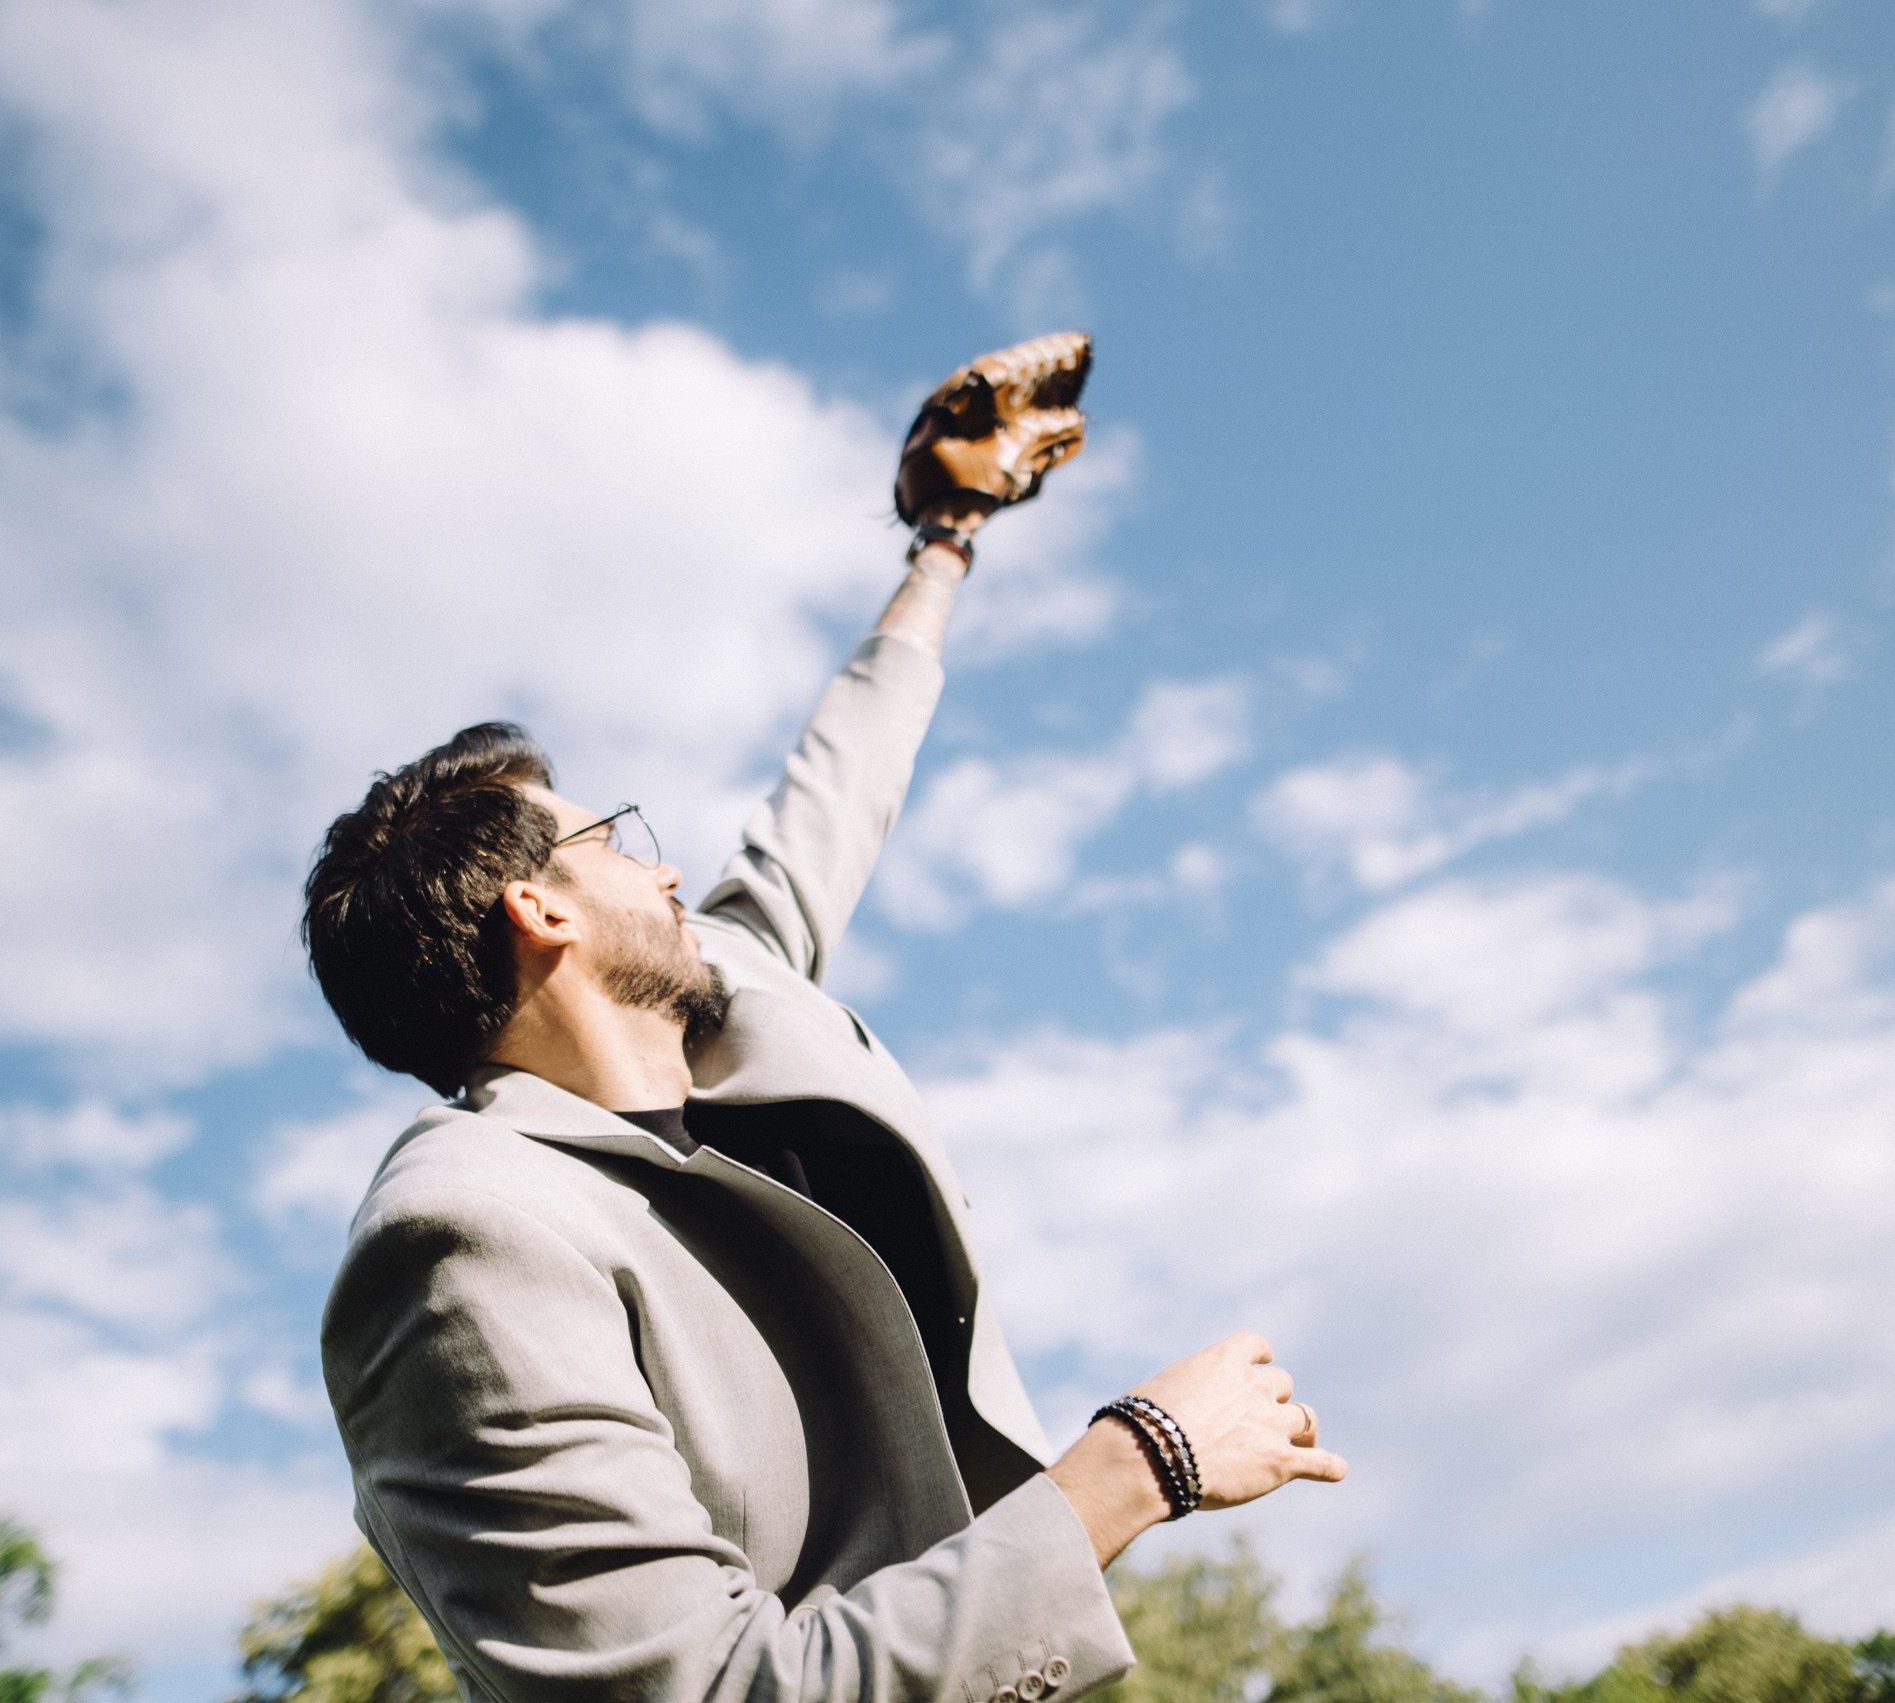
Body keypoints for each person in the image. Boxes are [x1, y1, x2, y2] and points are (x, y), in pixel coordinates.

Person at [304, 335, 1346, 1703]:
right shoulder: (460, 1245)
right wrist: (1137, 1464)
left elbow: (832, 788)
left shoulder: (738, 1000)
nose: (667, 866)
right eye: (617, 840)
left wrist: (948, 537)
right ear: (540, 912)